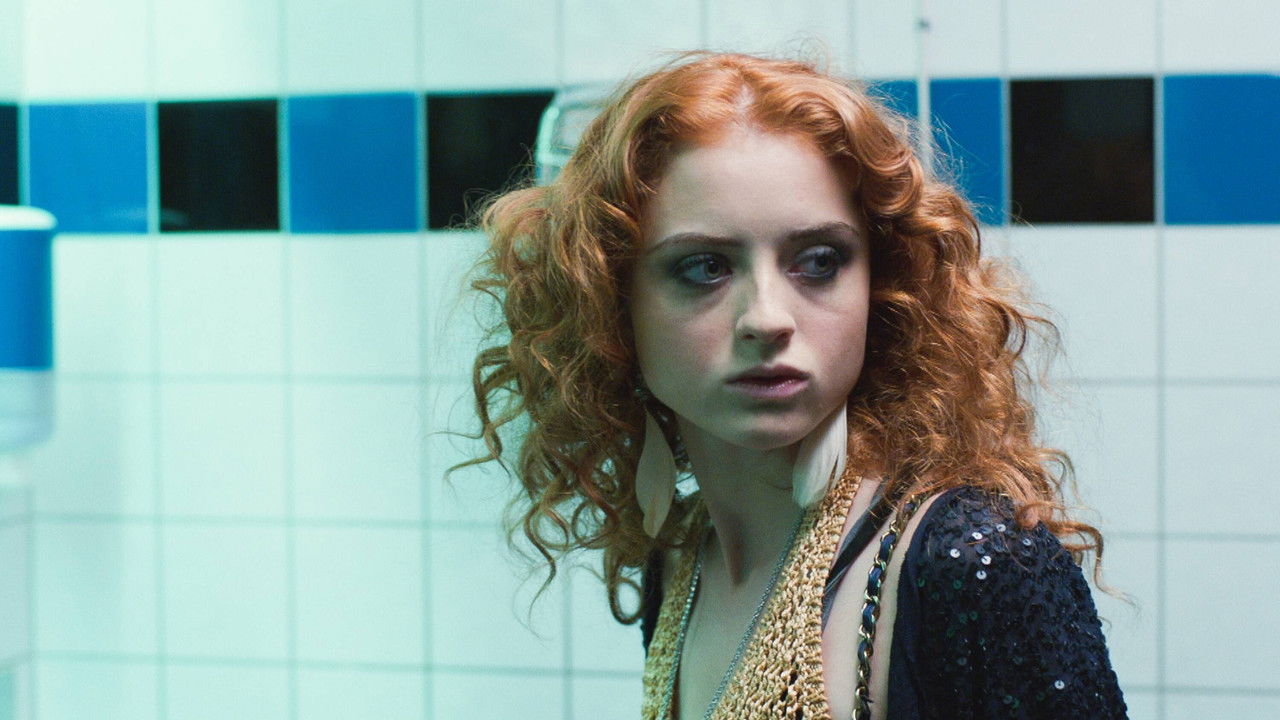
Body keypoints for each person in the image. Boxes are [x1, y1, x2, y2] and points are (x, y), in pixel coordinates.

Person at [456, 50, 1128, 719]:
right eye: (704, 267)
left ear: (881, 286)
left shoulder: (969, 561)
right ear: (609, 303)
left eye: (818, 261)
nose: (768, 319)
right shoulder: (682, 562)